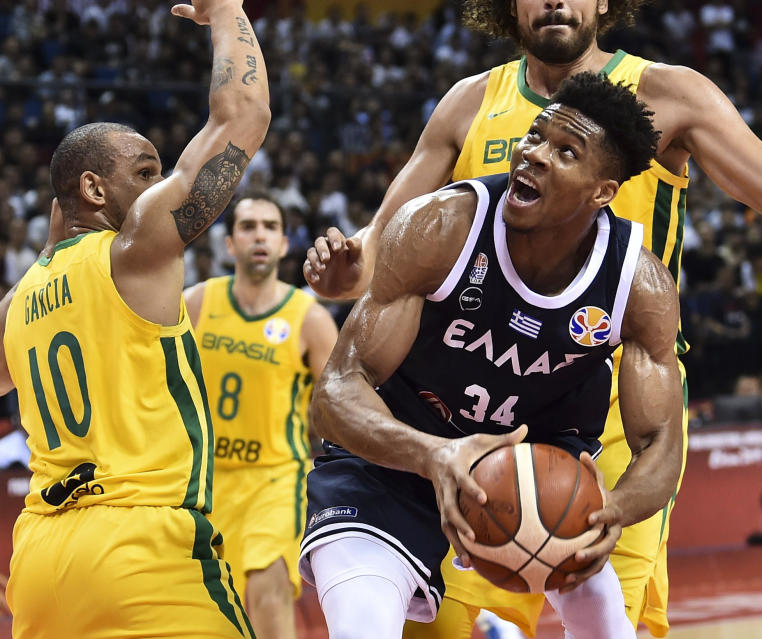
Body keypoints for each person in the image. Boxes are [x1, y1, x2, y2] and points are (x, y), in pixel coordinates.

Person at [302, 2, 762, 636]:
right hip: (484, 408)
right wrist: (345, 270)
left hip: (624, 398)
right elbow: (384, 245)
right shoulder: (470, 103)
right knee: (440, 623)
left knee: (612, 615)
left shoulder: (669, 93)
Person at [299, 73, 683, 639]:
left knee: (608, 628)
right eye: (534, 136)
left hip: (537, 472)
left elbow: (661, 445)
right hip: (394, 458)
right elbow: (335, 393)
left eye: (565, 151)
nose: (534, 155)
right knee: (362, 626)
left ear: (602, 191)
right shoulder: (442, 227)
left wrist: (614, 512)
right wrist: (434, 455)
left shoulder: (638, 284)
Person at [0, 1, 270, 636]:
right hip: (144, 549)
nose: (157, 184)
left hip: (39, 560)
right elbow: (245, 115)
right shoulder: (135, 250)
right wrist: (227, 9)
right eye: (145, 172)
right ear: (94, 191)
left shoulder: (16, 304)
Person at [184, 193, 338, 639]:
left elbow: (337, 405)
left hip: (275, 478)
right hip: (203, 485)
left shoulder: (308, 318)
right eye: (248, 226)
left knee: (268, 590)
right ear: (229, 244)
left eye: (270, 227)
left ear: (285, 243)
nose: (259, 235)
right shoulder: (195, 304)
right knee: (210, 615)